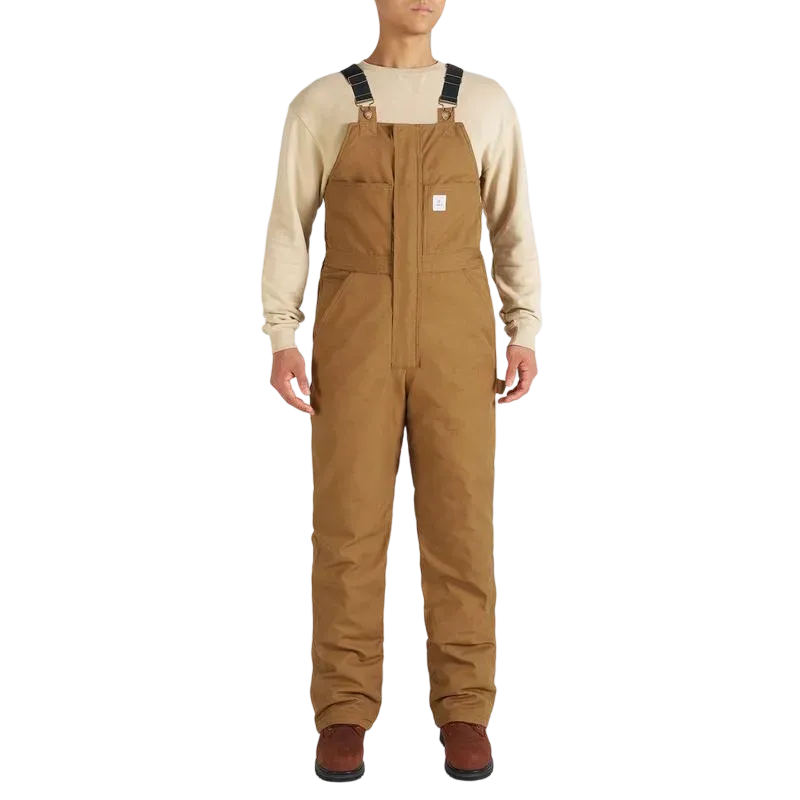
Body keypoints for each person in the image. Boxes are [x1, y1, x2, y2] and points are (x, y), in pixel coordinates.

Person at [262, 0, 542, 782]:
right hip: (354, 332)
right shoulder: (322, 101)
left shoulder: (485, 100)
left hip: (457, 334)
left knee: (461, 521)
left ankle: (464, 707)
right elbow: (289, 225)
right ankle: (344, 709)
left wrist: (524, 330)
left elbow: (513, 226)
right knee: (348, 522)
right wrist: (281, 335)